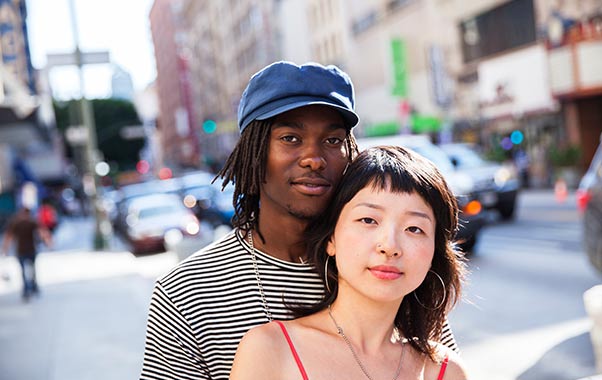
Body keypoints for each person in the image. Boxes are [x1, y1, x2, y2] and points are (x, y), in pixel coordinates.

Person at [140, 61, 457, 380]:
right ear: (254, 151)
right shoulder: (186, 291)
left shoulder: (382, 267)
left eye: (332, 141)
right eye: (290, 138)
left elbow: (433, 362)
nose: (314, 158)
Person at [231, 146, 469, 379]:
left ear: (434, 254)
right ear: (331, 238)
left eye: (414, 229)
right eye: (368, 220)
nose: (390, 246)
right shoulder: (271, 348)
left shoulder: (446, 370)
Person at [1, 207, 53, 301]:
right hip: (24, 251)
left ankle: (31, 286)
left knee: (31, 270)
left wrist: (48, 242)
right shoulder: (19, 223)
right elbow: (9, 236)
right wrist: (5, 248)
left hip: (29, 250)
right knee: (26, 271)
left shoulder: (29, 223)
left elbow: (42, 232)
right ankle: (29, 288)